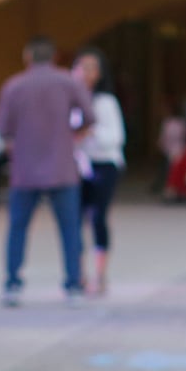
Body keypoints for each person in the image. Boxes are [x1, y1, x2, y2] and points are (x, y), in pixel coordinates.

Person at [0, 35, 94, 307]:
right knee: (70, 229)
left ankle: (13, 283)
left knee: (18, 227)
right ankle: (73, 284)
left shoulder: (14, 85)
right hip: (62, 167)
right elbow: (89, 115)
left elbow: (3, 127)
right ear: (54, 56)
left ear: (27, 56)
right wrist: (71, 133)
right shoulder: (68, 82)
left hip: (25, 169)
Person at [73, 48, 126, 296]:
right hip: (77, 164)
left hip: (103, 164)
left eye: (91, 67)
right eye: (81, 66)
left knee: (98, 218)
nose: (85, 72)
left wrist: (90, 132)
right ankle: (78, 273)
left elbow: (115, 137)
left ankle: (100, 273)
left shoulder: (105, 102)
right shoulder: (70, 100)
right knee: (74, 220)